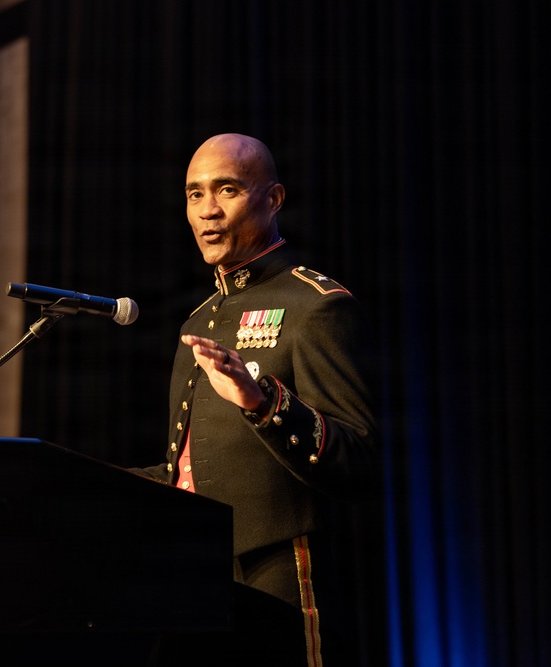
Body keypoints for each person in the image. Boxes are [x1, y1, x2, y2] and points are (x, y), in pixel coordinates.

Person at [141, 133, 378, 666]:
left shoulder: (316, 307)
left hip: (280, 569)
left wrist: (263, 402)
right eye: (194, 194)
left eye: (226, 190)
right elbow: (185, 470)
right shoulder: (198, 321)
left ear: (272, 200)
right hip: (196, 571)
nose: (208, 210)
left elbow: (359, 459)